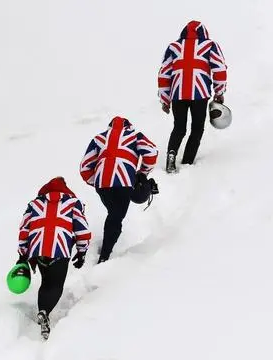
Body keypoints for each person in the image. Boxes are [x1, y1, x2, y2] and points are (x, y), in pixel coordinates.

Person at [16, 176, 91, 338]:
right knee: (55, 285)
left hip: (38, 250)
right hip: (59, 249)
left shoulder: (34, 204)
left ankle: (42, 311)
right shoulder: (73, 203)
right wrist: (81, 251)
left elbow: (24, 229)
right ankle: (45, 312)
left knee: (46, 282)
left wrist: (22, 253)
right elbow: (82, 231)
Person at [79, 116, 158, 263]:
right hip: (124, 182)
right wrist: (142, 172)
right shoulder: (135, 136)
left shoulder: (99, 138)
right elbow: (151, 152)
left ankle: (107, 246)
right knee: (116, 216)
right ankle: (105, 255)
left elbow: (85, 167)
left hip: (102, 184)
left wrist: (96, 181)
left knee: (114, 213)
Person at [158, 20, 228, 173]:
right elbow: (220, 68)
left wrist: (165, 99)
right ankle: (187, 162)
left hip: (178, 94)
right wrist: (219, 91)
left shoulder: (174, 47)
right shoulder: (210, 45)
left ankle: (172, 154)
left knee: (179, 127)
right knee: (197, 128)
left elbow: (164, 73)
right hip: (199, 94)